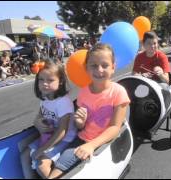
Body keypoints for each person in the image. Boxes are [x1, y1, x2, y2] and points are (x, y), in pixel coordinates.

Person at [47, 43, 131, 179]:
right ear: (87, 68)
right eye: (94, 65)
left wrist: (92, 145)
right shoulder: (84, 92)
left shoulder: (118, 92)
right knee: (57, 171)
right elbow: (82, 126)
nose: (99, 70)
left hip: (105, 143)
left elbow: (115, 127)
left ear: (113, 67)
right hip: (82, 140)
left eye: (105, 65)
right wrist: (80, 122)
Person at [20, 61, 77, 179]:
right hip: (49, 136)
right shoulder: (45, 99)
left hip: (64, 139)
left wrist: (42, 150)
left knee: (42, 165)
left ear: (60, 81)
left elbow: (62, 131)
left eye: (50, 80)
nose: (44, 84)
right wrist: (37, 121)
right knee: (25, 155)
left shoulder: (63, 102)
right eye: (41, 79)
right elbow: (40, 115)